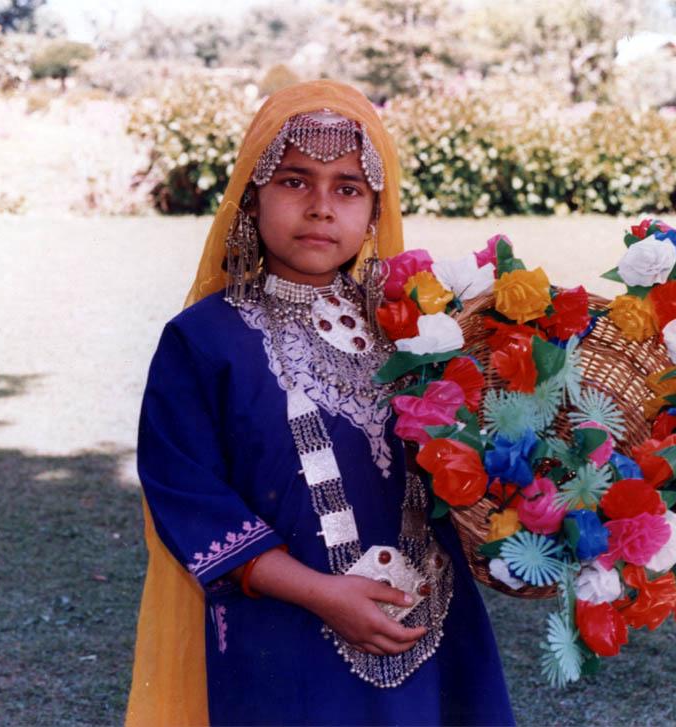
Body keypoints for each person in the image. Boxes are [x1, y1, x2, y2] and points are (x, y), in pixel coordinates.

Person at [125, 80, 515, 727]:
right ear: (252, 198)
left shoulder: (419, 333)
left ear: (373, 208)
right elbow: (187, 494)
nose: (321, 207)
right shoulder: (202, 340)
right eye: (295, 180)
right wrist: (323, 594)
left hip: (434, 631)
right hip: (283, 639)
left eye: (347, 188)